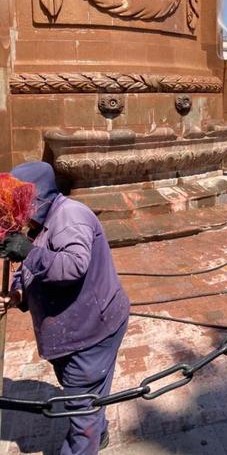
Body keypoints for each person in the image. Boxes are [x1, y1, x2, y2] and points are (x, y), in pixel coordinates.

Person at [0, 161, 130, 454]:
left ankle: (86, 443)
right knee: (88, 398)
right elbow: (30, 267)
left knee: (82, 414)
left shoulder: (70, 216)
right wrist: (18, 293)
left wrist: (28, 251)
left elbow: (73, 266)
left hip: (91, 333)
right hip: (73, 333)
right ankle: (100, 430)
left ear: (36, 197)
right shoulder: (39, 223)